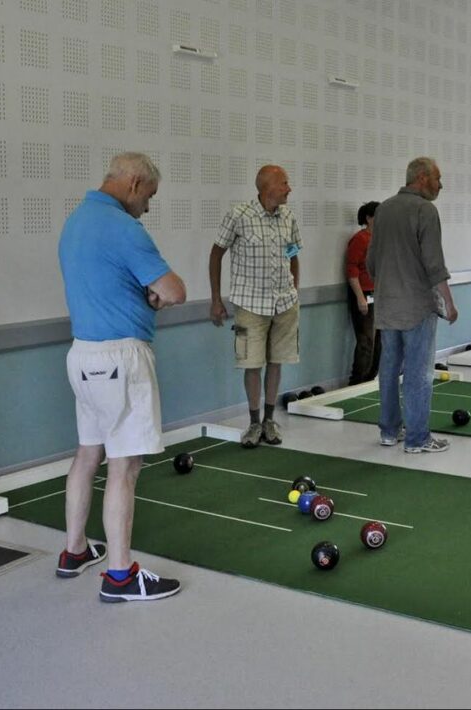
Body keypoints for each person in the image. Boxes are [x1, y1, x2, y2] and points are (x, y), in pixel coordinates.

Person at [58, 152, 186, 602]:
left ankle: (74, 551)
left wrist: (145, 294)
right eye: (149, 196)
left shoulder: (76, 221)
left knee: (87, 453)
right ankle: (119, 576)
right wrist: (157, 295)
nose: (147, 207)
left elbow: (109, 282)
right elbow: (174, 290)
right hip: (119, 358)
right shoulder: (123, 227)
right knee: (125, 465)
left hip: (82, 354)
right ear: (133, 183)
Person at [368, 157, 458, 454]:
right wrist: (449, 303)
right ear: (421, 178)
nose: (441, 185)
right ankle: (417, 438)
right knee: (419, 373)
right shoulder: (425, 210)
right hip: (417, 307)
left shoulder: (383, 209)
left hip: (386, 306)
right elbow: (435, 265)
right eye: (437, 178)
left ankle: (388, 431)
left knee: (389, 370)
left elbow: (371, 263)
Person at [209, 165, 301, 448]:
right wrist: (216, 299)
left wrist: (294, 289)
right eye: (284, 183)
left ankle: (269, 420)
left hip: (284, 303)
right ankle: (253, 422)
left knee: (276, 361)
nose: (289, 188)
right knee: (251, 364)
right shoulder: (239, 215)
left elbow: (293, 255)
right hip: (249, 304)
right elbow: (216, 254)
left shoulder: (288, 217)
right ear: (267, 187)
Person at [345, 201, 381, 385]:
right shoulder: (360, 239)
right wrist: (360, 297)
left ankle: (370, 379)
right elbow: (351, 269)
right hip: (364, 293)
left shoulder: (382, 238)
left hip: (379, 294)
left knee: (379, 341)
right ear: (369, 218)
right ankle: (357, 381)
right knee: (366, 340)